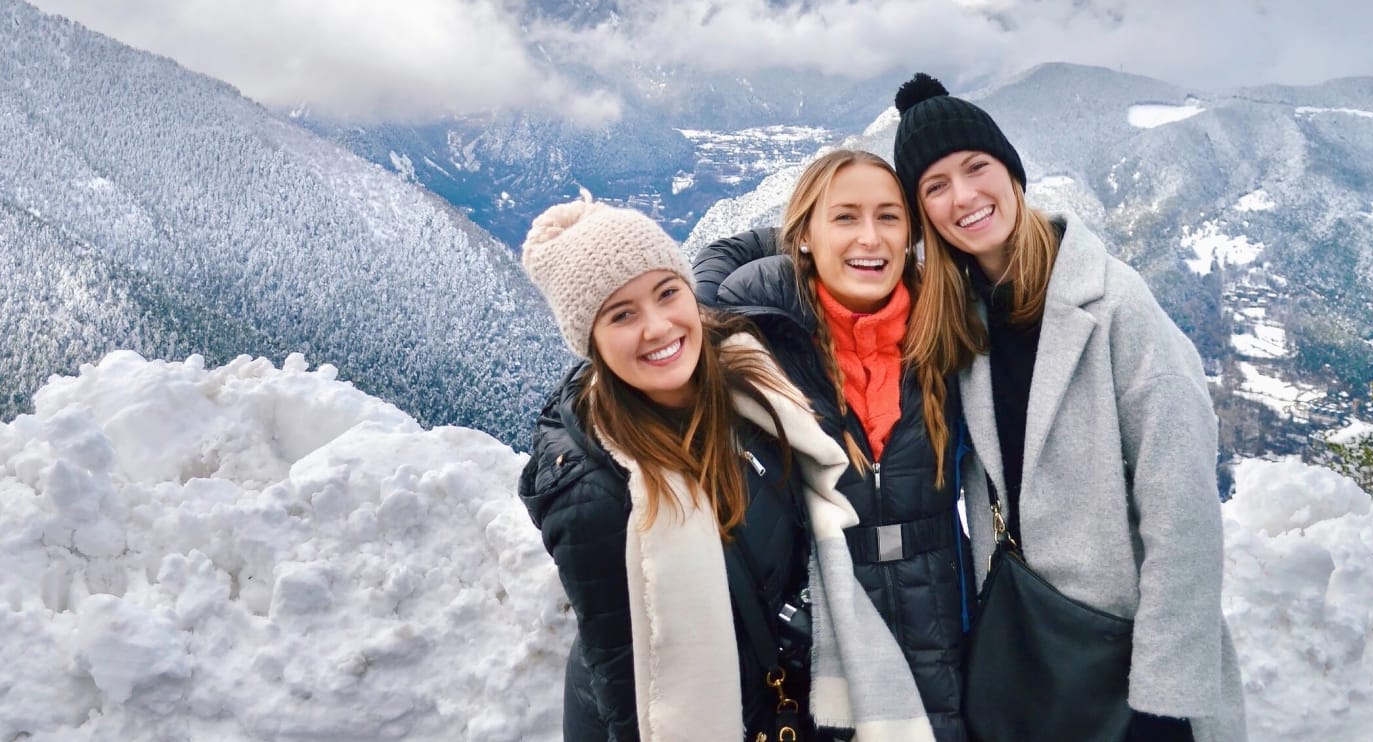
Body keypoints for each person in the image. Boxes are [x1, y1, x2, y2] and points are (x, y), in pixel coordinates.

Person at [891, 73, 1248, 741]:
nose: (963, 196)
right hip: (1024, 650)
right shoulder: (957, 321)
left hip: (1123, 657)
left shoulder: (1114, 305)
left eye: (977, 167)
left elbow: (1184, 512)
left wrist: (1162, 694)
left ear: (1012, 172)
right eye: (935, 187)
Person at [516, 199, 934, 742]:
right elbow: (629, 690)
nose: (658, 326)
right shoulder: (596, 496)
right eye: (622, 314)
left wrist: (844, 243)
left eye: (668, 293)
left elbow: (736, 251)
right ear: (589, 342)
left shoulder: (738, 378)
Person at [693, 149, 971, 741]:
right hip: (818, 659)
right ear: (803, 237)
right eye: (844, 217)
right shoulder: (760, 343)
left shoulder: (951, 330)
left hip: (949, 637)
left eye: (889, 217)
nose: (869, 238)